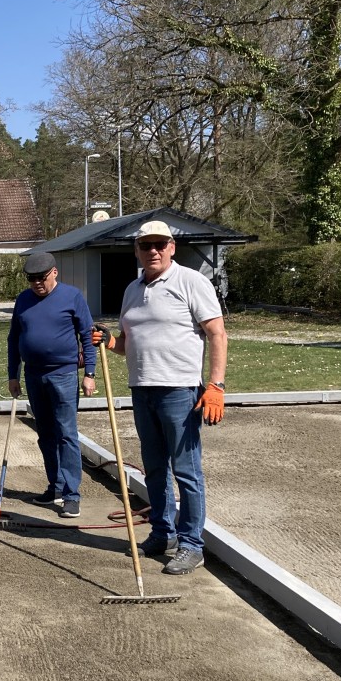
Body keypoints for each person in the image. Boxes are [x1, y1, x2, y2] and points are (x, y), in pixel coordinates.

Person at [92, 220, 228, 575]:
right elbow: (128, 342)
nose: (153, 251)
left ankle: (191, 545)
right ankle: (163, 533)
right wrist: (109, 342)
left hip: (179, 391)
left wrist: (216, 386)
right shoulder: (132, 289)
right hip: (142, 389)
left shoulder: (191, 282)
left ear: (171, 247)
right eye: (145, 245)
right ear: (136, 250)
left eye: (160, 244)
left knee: (186, 472)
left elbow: (217, 333)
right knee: (154, 469)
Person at [7, 252, 97, 519]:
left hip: (64, 375)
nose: (37, 283)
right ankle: (55, 486)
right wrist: (13, 375)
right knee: (45, 434)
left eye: (41, 278)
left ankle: (71, 495)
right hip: (34, 375)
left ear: (54, 273)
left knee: (66, 434)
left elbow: (87, 335)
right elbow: (14, 338)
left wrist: (90, 373)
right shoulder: (23, 300)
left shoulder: (72, 297)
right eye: (31, 279)